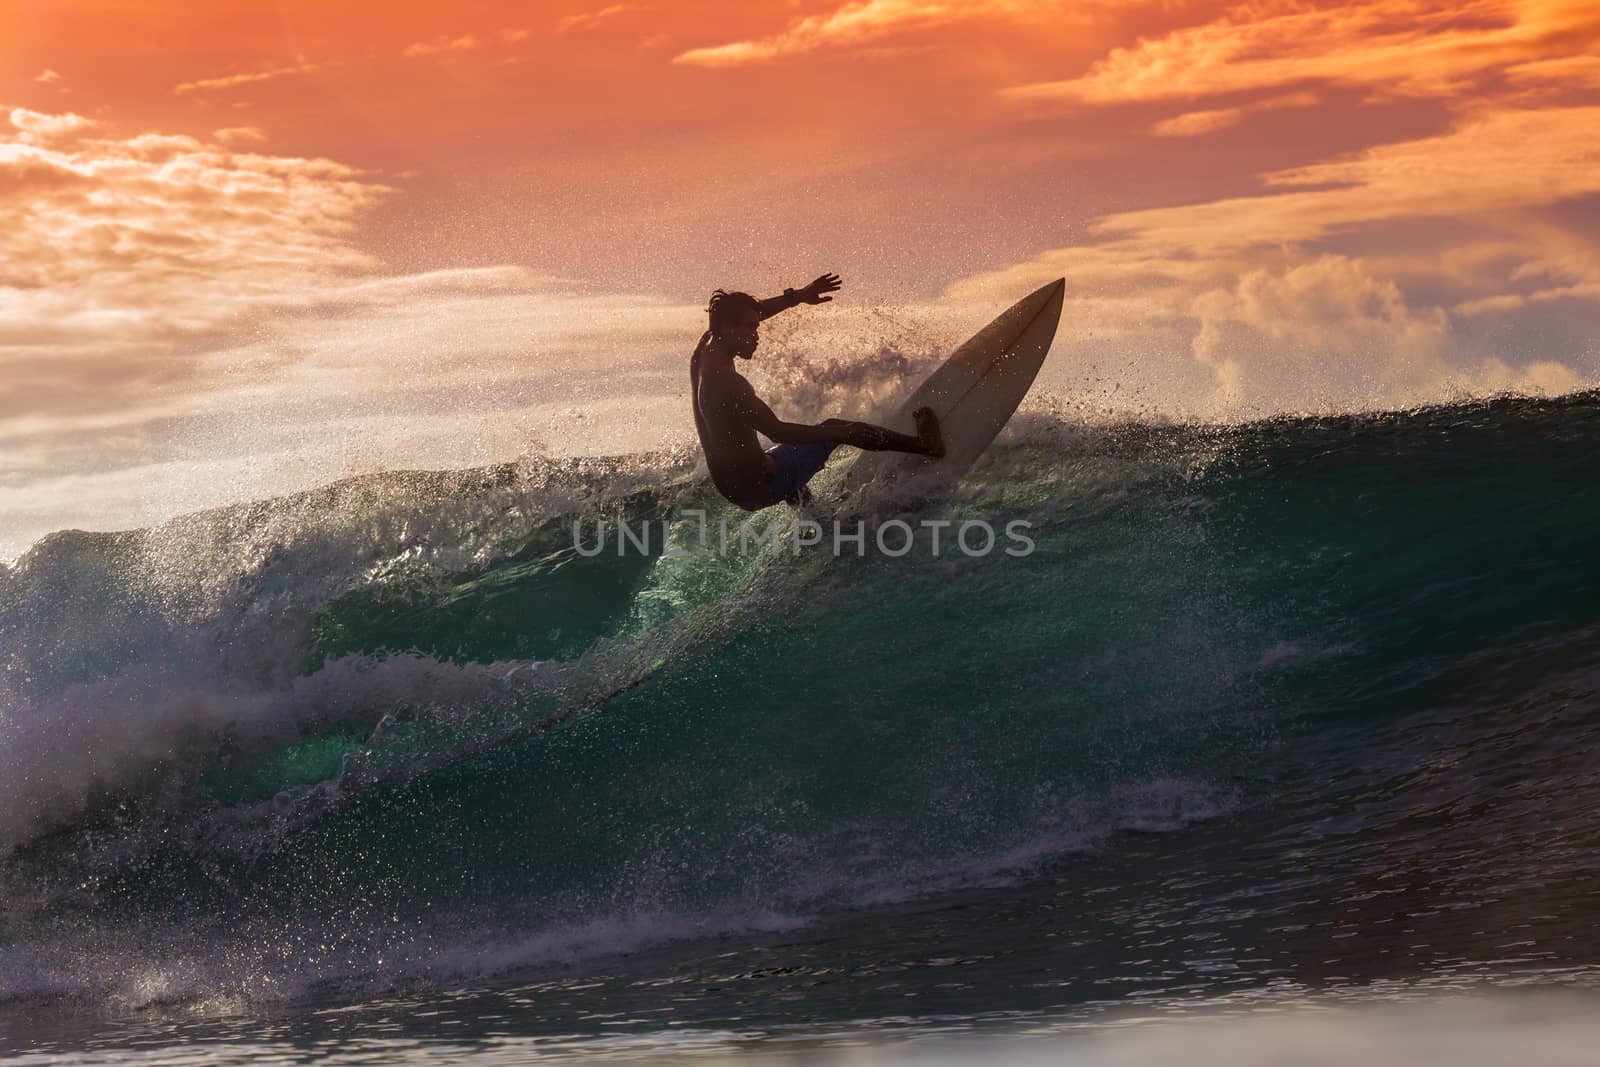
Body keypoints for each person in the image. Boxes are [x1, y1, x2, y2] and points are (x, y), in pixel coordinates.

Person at [690, 273, 944, 509]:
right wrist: (842, 433)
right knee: (833, 428)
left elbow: (753, 312)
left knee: (783, 458)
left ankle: (815, 517)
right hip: (762, 486)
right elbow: (778, 431)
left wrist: (797, 296)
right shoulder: (729, 383)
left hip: (733, 486)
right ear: (727, 327)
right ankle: (925, 445)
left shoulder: (704, 351)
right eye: (751, 328)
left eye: (756, 326)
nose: (757, 335)